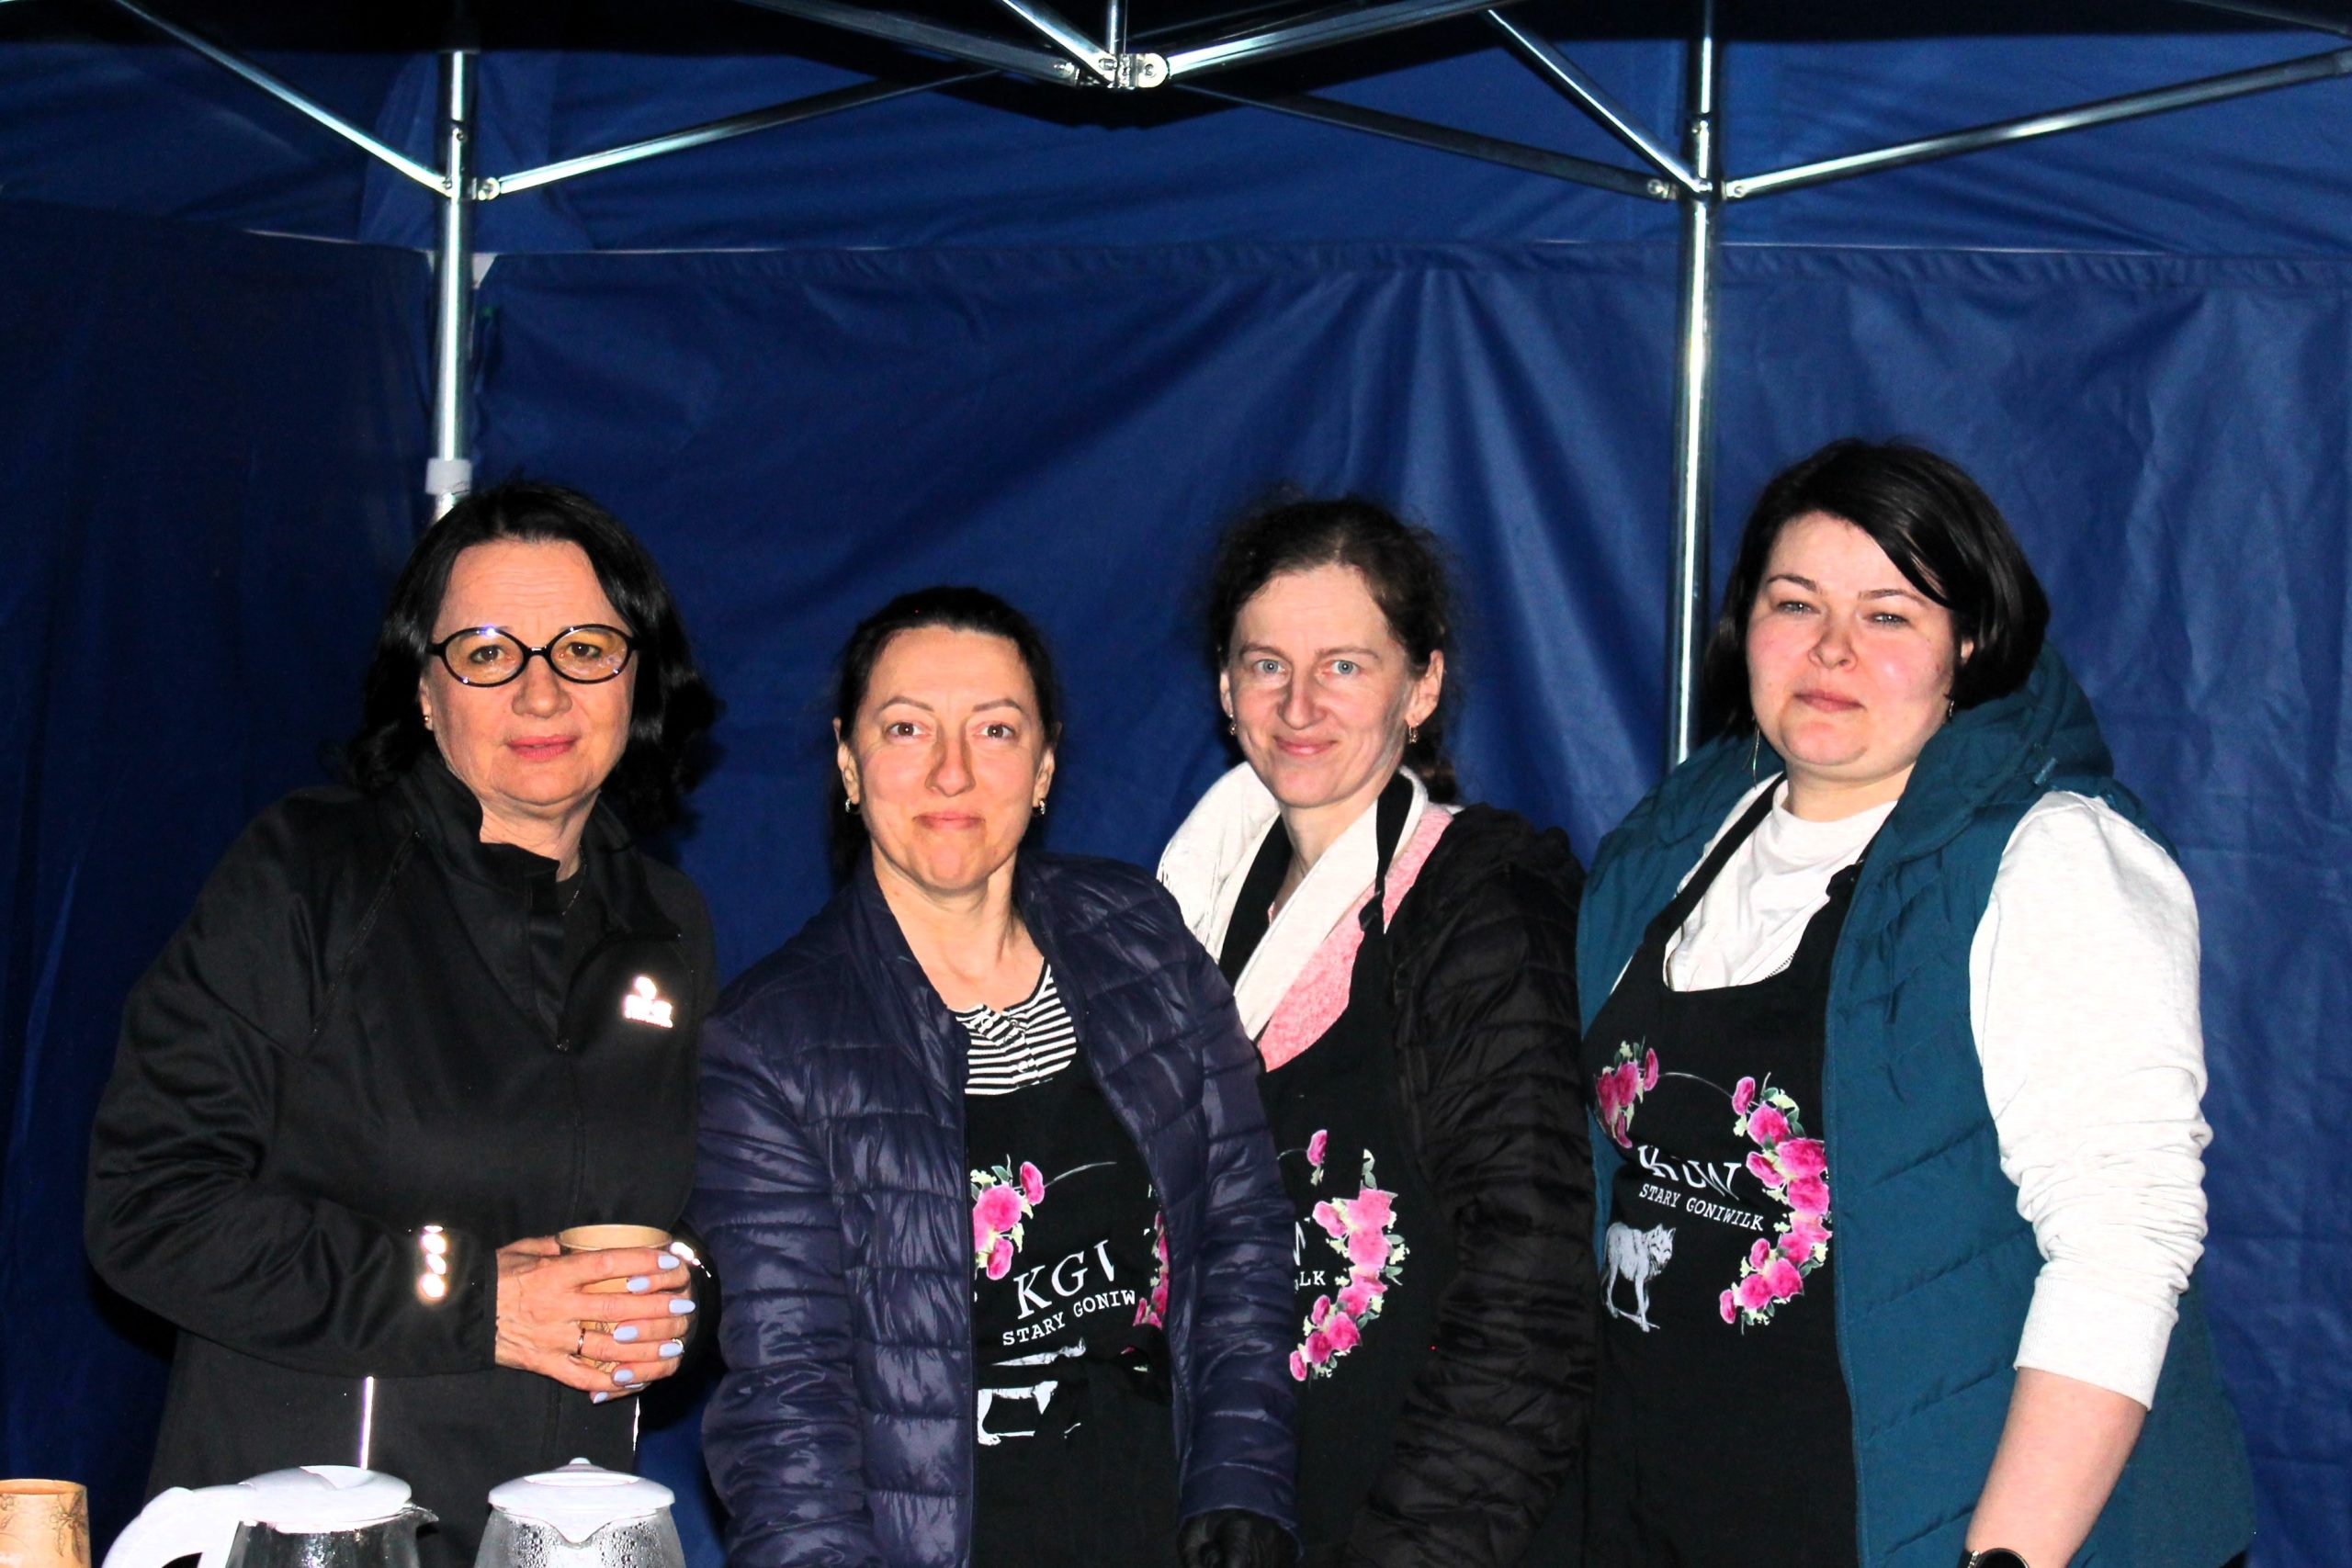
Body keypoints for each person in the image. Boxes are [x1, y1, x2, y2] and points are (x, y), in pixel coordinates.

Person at [1575, 439, 2256, 1567]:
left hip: (1966, 1534)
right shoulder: (1668, 847)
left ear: (1968, 644)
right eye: (1795, 603)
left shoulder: (2049, 857)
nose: (1831, 649)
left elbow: (2124, 1243)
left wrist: (2005, 1559)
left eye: (1888, 615)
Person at [85, 482, 722, 1568]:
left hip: (563, 1542)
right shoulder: (307, 878)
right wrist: (476, 1302)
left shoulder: (669, 926)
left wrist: (683, 1304)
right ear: (424, 693)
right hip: (316, 1545)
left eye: (583, 649)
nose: (540, 692)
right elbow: (148, 1207)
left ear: (639, 678)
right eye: (487, 653)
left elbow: (707, 1223)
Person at [696, 587, 1296, 1568]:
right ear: (847, 762)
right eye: (906, 728)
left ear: (1045, 765)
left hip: (1164, 1520)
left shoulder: (1140, 935)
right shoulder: (773, 1039)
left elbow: (1241, 1227)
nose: (952, 770)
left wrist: (1243, 1477)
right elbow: (787, 1395)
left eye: (996, 729)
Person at [1158, 497, 1594, 1566]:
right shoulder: (1186, 907)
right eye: (1266, 665)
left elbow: (1530, 1292)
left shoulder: (1480, 911)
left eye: (1344, 665)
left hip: (1423, 1526)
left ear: (1422, 684)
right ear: (1224, 687)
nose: (1299, 704)